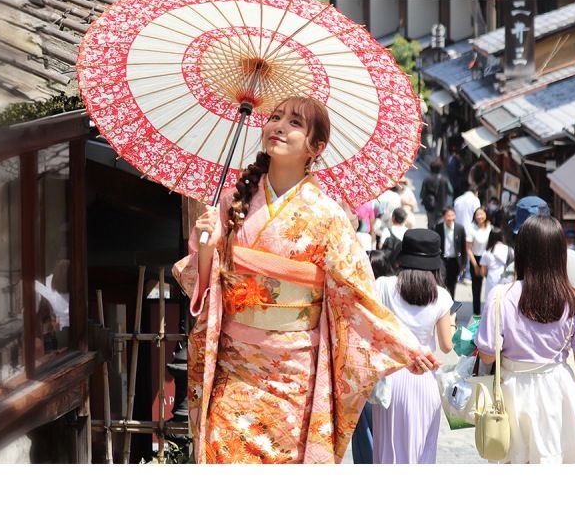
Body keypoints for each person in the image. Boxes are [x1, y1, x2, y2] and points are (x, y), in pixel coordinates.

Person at [172, 96, 439, 464]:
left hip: (293, 378)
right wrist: (208, 248)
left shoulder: (327, 215)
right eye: (275, 118)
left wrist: (405, 346)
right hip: (234, 372)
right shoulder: (232, 202)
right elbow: (204, 286)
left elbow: (357, 296)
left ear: (317, 146)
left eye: (295, 122)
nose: (279, 126)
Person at [476, 215, 575, 464]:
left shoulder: (500, 296)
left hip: (511, 390)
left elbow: (488, 354)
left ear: (521, 252)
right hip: (557, 389)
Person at [372, 229, 456, 463]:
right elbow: (447, 345)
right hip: (425, 378)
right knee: (422, 453)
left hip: (391, 378)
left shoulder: (384, 286)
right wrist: (454, 325)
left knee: (387, 451)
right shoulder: (441, 296)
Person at [350, 249, 395, 464]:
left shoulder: (365, 295)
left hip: (363, 370)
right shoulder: (392, 297)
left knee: (364, 428)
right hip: (384, 371)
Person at [434, 207, 467, 300]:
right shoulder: (438, 227)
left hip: (454, 261)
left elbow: (464, 247)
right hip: (442, 260)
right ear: (444, 216)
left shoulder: (459, 228)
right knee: (441, 283)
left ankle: (451, 306)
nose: (450, 218)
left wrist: (463, 264)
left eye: (452, 215)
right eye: (448, 215)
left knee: (452, 285)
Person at [466, 207, 492, 315]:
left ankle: (489, 314)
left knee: (491, 286)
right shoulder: (472, 228)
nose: (480, 216)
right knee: (476, 289)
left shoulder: (490, 227)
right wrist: (476, 266)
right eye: (477, 214)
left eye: (481, 214)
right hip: (476, 259)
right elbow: (468, 249)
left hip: (489, 259)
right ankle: (476, 315)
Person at [453, 184, 481, 282]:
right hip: (470, 229)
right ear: (476, 192)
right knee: (469, 251)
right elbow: (478, 215)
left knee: (459, 251)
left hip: (458, 228)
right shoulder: (475, 200)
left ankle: (458, 274)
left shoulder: (458, 200)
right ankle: (467, 275)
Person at [479, 227, 513, 307]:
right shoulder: (510, 250)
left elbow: (483, 272)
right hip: (506, 280)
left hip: (491, 281)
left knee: (491, 304)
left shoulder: (487, 253)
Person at [420, 158, 452, 230]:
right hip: (441, 207)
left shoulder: (427, 179)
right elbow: (451, 191)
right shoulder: (444, 180)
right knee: (439, 226)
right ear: (440, 169)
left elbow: (422, 194)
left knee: (430, 225)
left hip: (430, 207)